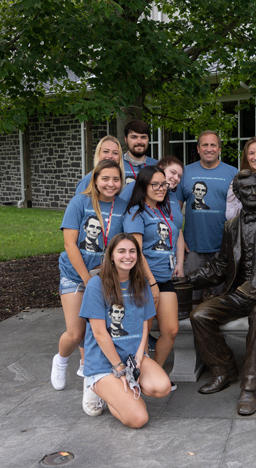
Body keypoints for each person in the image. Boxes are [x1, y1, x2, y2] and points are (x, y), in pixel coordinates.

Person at [181, 170, 256, 415]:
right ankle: (224, 370)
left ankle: (249, 388)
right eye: (247, 189)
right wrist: (189, 279)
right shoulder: (230, 226)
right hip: (238, 292)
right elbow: (222, 265)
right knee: (200, 314)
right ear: (237, 194)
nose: (253, 193)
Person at [79, 233, 171, 427]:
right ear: (111, 256)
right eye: (121, 251)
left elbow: (145, 323)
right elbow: (99, 333)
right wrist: (119, 369)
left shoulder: (141, 283)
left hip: (132, 356)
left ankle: (121, 395)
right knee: (139, 419)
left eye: (132, 251)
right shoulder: (97, 284)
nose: (127, 256)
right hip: (104, 361)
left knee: (162, 387)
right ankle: (99, 388)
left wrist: (141, 354)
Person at [51, 160, 128, 391]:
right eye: (105, 178)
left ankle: (92, 375)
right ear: (95, 180)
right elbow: (69, 244)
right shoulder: (80, 202)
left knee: (102, 330)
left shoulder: (123, 206)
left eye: (116, 179)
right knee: (76, 333)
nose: (111, 184)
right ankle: (61, 360)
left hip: (105, 276)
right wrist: (87, 279)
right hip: (75, 275)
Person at [124, 166, 184, 371]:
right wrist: (151, 283)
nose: (161, 188)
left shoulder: (162, 209)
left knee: (171, 330)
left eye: (163, 184)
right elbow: (136, 252)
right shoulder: (136, 212)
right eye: (155, 185)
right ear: (143, 186)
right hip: (143, 281)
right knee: (143, 332)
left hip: (165, 277)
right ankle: (136, 375)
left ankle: (154, 372)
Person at [176, 131, 238, 301]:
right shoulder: (186, 173)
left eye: (213, 145)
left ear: (219, 149)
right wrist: (179, 239)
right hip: (193, 245)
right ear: (198, 148)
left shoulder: (232, 173)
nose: (209, 149)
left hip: (223, 246)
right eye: (205, 145)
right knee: (191, 296)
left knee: (221, 298)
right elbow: (175, 212)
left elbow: (239, 211)